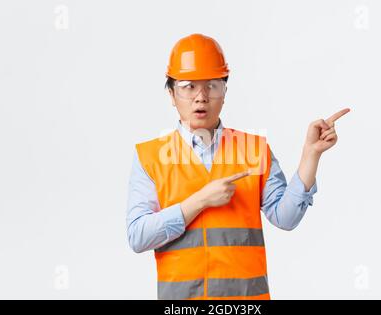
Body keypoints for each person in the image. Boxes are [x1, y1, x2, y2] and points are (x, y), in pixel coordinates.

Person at [126, 33, 350, 300]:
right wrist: (199, 201)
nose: (201, 97)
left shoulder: (254, 150)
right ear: (172, 94)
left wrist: (310, 155)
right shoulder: (151, 156)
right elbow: (138, 236)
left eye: (212, 85)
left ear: (225, 92)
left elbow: (286, 218)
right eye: (188, 86)